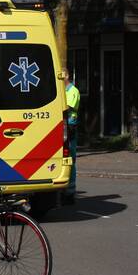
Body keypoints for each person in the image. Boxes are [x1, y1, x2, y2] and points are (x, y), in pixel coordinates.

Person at [63, 73, 80, 203]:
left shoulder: (73, 91)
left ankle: (70, 191)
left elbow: (68, 107)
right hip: (64, 126)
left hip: (70, 126)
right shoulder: (63, 90)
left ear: (67, 75)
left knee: (71, 157)